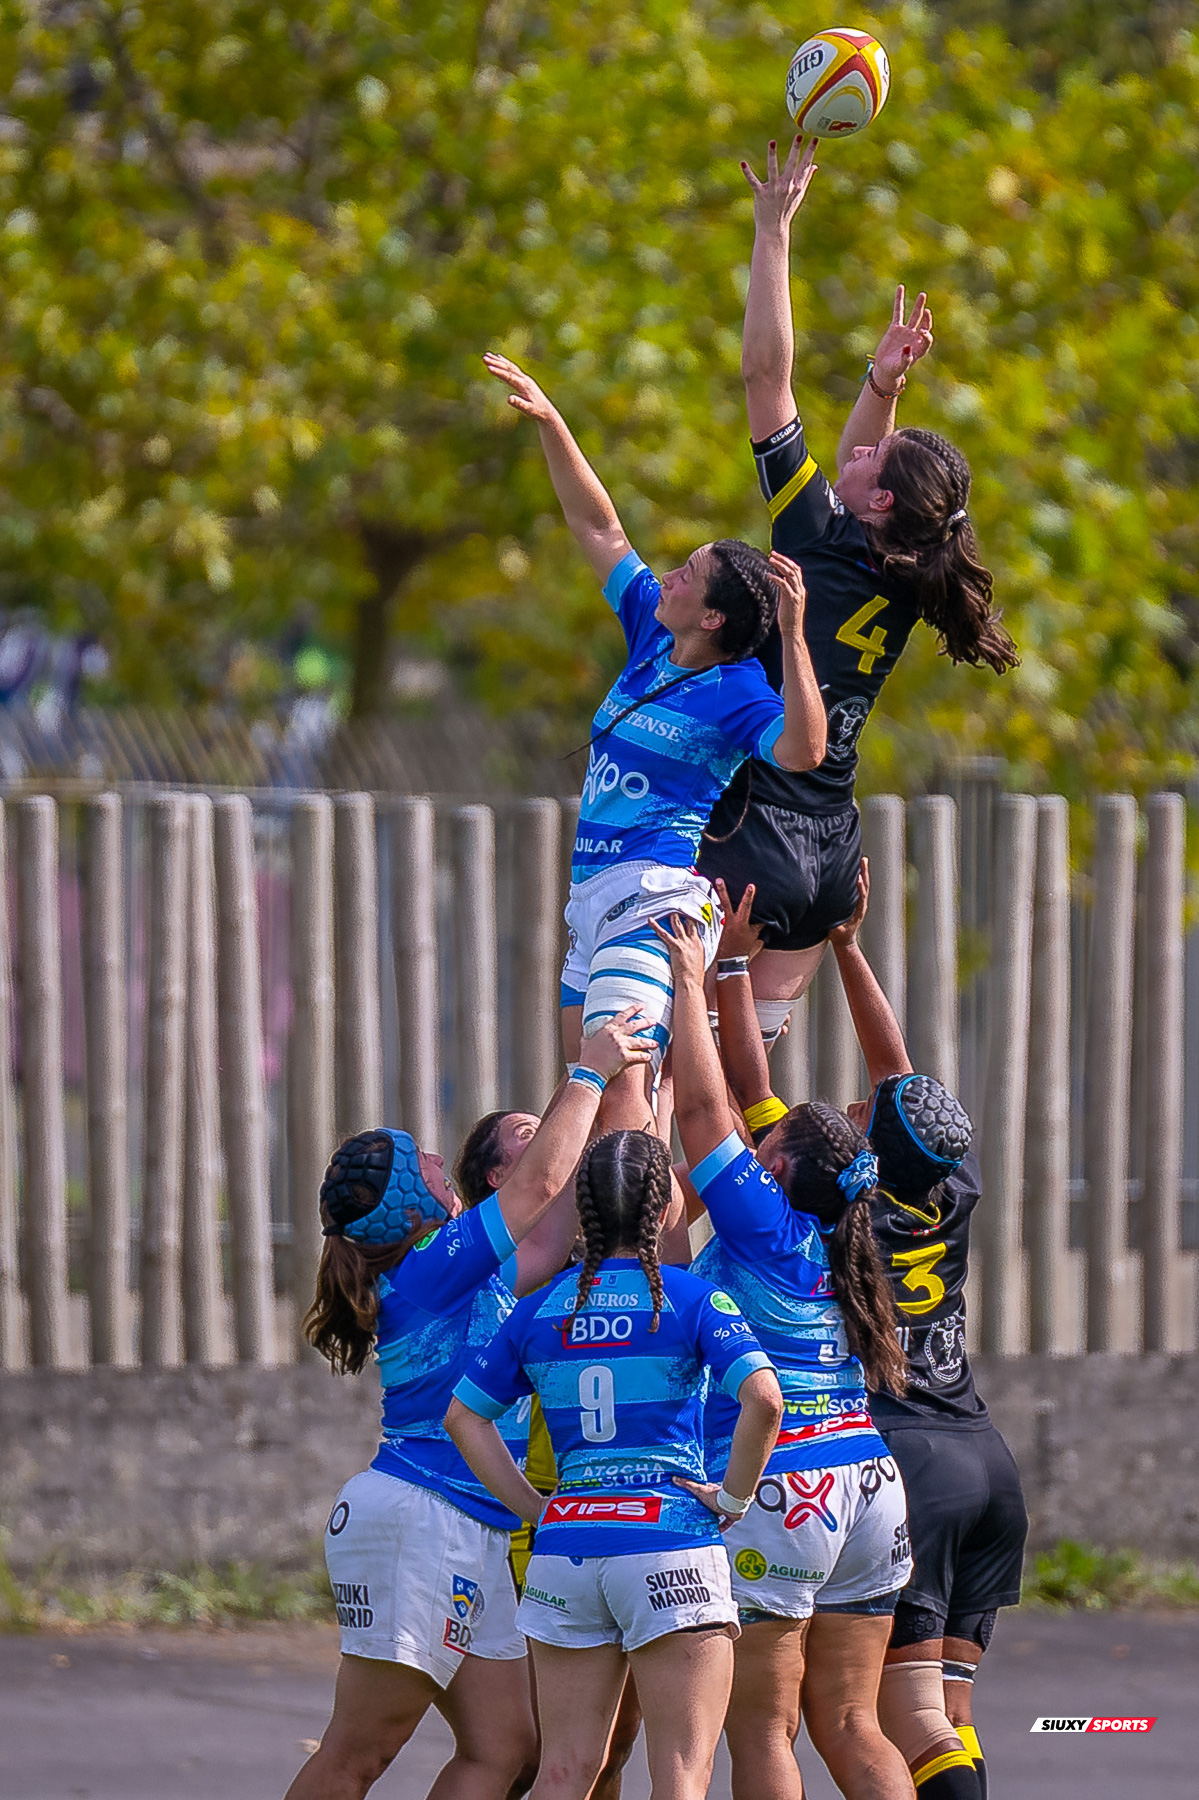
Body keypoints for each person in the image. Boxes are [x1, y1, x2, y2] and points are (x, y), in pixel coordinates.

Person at [697, 137, 1019, 1050]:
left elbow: (766, 377)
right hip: (827, 853)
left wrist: (773, 233)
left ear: (879, 503)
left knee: (677, 1100)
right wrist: (883, 382)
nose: (859, 450)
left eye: (876, 455)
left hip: (752, 831)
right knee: (741, 1112)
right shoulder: (914, 573)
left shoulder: (815, 537)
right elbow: (850, 463)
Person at [285, 1012, 654, 1800]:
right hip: (418, 1519)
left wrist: (625, 1084)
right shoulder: (427, 1266)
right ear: (410, 1202)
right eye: (417, 1156)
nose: (434, 1154)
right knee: (359, 1753)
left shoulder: (462, 1271)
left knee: (507, 1749)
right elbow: (538, 1186)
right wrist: (585, 1070)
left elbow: (555, 1222)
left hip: (469, 1525)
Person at [483, 350, 826, 1135]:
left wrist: (797, 635)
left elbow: (805, 751)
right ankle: (614, 1248)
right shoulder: (649, 632)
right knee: (586, 1101)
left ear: (712, 618)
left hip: (654, 904)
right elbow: (597, 525)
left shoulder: (739, 690)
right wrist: (552, 421)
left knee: (618, 1102)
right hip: (590, 906)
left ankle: (636, 1255)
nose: (665, 574)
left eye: (686, 573)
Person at [656, 912, 915, 1800]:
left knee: (763, 1728)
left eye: (763, 1148)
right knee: (853, 1722)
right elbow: (732, 1107)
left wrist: (691, 979)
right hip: (868, 1483)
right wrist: (728, 971)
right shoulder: (845, 1229)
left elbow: (698, 1112)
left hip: (782, 1485)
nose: (750, 1149)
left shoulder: (762, 1224)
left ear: (775, 1168)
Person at [446, 1129, 785, 1800]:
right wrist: (733, 1499)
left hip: (566, 1547)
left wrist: (536, 1510)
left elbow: (463, 1417)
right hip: (670, 1544)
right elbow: (764, 1402)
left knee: (564, 1771)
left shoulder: (539, 1309)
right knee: (681, 1772)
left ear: (580, 1208)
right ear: (665, 1211)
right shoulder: (691, 1300)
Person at [827, 870, 1029, 1800]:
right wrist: (848, 947)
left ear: (872, 1144)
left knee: (905, 1718)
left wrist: (742, 974)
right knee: (949, 1717)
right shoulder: (956, 1188)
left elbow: (881, 1083)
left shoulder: (845, 1209)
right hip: (986, 1461)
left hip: (910, 1463)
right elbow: (896, 1073)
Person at [454, 1109, 645, 1800]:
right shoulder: (508, 1273)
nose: (556, 1138)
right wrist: (601, 1074)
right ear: (500, 1178)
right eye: (527, 1135)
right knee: (543, 1751)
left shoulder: (610, 1260)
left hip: (632, 1521)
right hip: (536, 1523)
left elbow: (651, 1168)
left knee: (610, 1745)